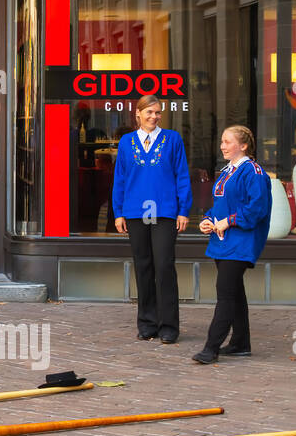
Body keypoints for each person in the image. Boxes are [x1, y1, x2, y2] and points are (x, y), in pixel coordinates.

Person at [110, 95, 191, 344]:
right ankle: (147, 323)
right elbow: (120, 178)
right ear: (138, 113)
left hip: (165, 210)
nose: (154, 116)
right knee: (143, 266)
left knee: (164, 266)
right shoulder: (126, 142)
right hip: (135, 211)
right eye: (149, 112)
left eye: (158, 112)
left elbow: (182, 175)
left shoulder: (172, 139)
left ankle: (169, 326)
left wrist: (184, 210)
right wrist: (119, 212)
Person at [192, 125, 272, 365]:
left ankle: (210, 348)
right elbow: (219, 207)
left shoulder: (254, 172)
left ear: (244, 145)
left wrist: (228, 221)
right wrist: (207, 220)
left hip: (241, 241)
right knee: (235, 294)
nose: (222, 146)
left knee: (225, 294)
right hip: (223, 240)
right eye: (222, 141)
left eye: (227, 142)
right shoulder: (226, 172)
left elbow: (257, 209)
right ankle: (240, 343)